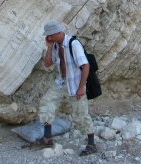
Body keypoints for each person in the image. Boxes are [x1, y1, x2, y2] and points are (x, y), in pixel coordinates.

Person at [31, 21, 97, 156]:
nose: (48, 38)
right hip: (62, 82)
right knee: (47, 102)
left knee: (80, 114)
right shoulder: (55, 46)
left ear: (58, 32)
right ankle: (47, 137)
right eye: (47, 36)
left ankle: (91, 143)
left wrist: (80, 88)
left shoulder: (73, 44)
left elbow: (86, 66)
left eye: (49, 35)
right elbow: (48, 64)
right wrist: (49, 47)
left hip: (76, 84)